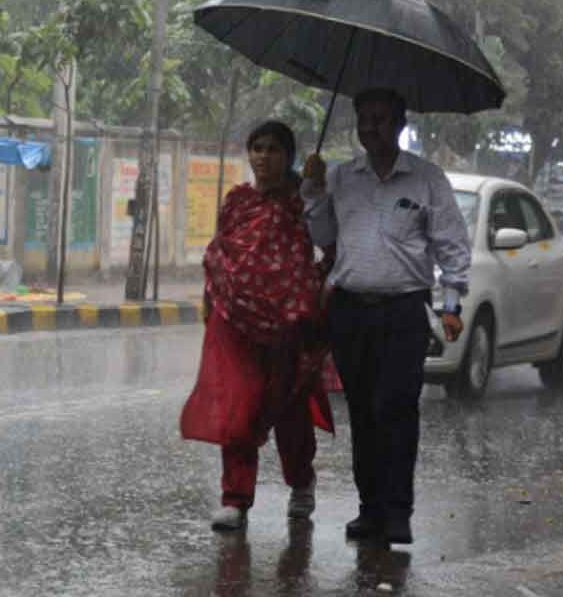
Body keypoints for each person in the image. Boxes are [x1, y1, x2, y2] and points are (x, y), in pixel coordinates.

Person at [301, 88, 471, 545]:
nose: (371, 127)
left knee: (396, 410)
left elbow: (452, 245)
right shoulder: (340, 177)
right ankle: (370, 509)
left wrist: (452, 304)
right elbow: (322, 235)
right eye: (364, 119)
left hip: (402, 312)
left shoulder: (426, 179)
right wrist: (313, 191)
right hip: (350, 311)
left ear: (400, 124)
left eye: (380, 119)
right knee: (363, 412)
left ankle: (398, 511)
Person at [181, 120, 335, 532]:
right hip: (234, 321)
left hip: (288, 324)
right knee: (237, 408)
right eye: (257, 148)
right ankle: (235, 498)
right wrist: (210, 300)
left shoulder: (306, 202)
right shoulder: (237, 202)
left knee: (289, 411)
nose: (263, 157)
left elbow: (332, 249)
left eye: (273, 149)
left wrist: (307, 291)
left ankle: (301, 484)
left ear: (290, 157)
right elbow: (219, 253)